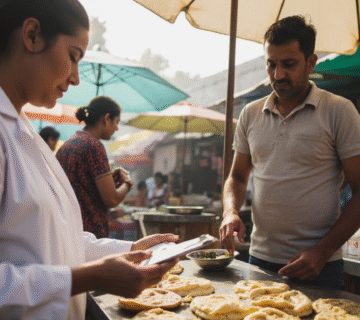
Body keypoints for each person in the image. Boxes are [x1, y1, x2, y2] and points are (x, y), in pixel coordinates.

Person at [0, 1, 178, 319]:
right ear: (31, 35)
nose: (75, 78)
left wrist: (130, 250)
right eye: (72, 56)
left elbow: (56, 242)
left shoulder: (22, 129)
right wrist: (90, 277)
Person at [220, 15, 360, 291]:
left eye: (288, 64)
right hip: (258, 261)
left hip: (318, 267)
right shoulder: (250, 114)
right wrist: (229, 212)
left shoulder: (339, 111)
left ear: (311, 63)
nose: (277, 74)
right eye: (271, 64)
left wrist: (322, 251)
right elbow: (236, 176)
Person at [56, 96, 132, 239]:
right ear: (107, 118)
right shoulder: (94, 146)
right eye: (116, 122)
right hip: (89, 233)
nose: (116, 128)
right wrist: (127, 183)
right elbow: (112, 199)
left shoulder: (67, 145)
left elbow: (83, 185)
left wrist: (110, 180)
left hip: (67, 230)